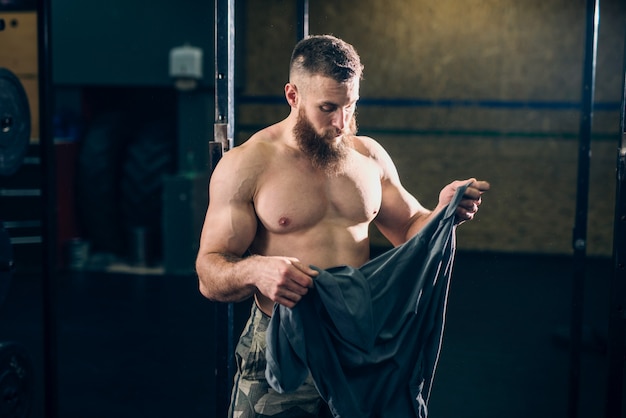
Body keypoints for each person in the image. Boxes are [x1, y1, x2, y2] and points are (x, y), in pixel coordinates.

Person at [196, 34, 490, 418]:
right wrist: (257, 270)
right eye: (328, 108)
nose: (341, 123)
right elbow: (209, 271)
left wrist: (444, 212)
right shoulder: (246, 165)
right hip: (285, 341)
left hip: (359, 341)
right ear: (292, 96)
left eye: (349, 107)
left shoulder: (367, 155)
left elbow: (410, 228)